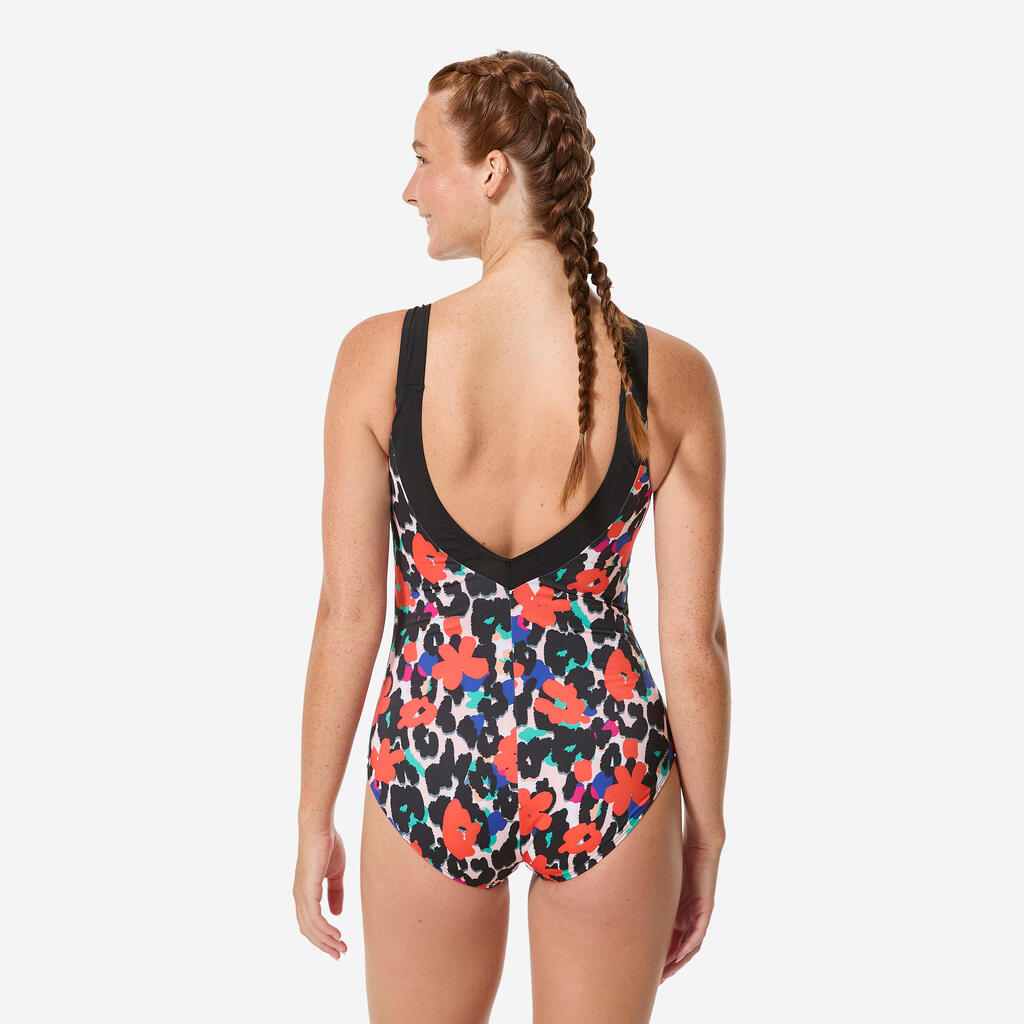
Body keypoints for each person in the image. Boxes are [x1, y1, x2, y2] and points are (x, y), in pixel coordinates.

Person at [294, 49, 730, 1023]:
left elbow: (346, 612)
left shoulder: (380, 358)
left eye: (423, 158)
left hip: (431, 755)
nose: (410, 189)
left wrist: (313, 812)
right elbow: (694, 638)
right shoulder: (671, 374)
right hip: (605, 762)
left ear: (491, 171)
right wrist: (704, 831)